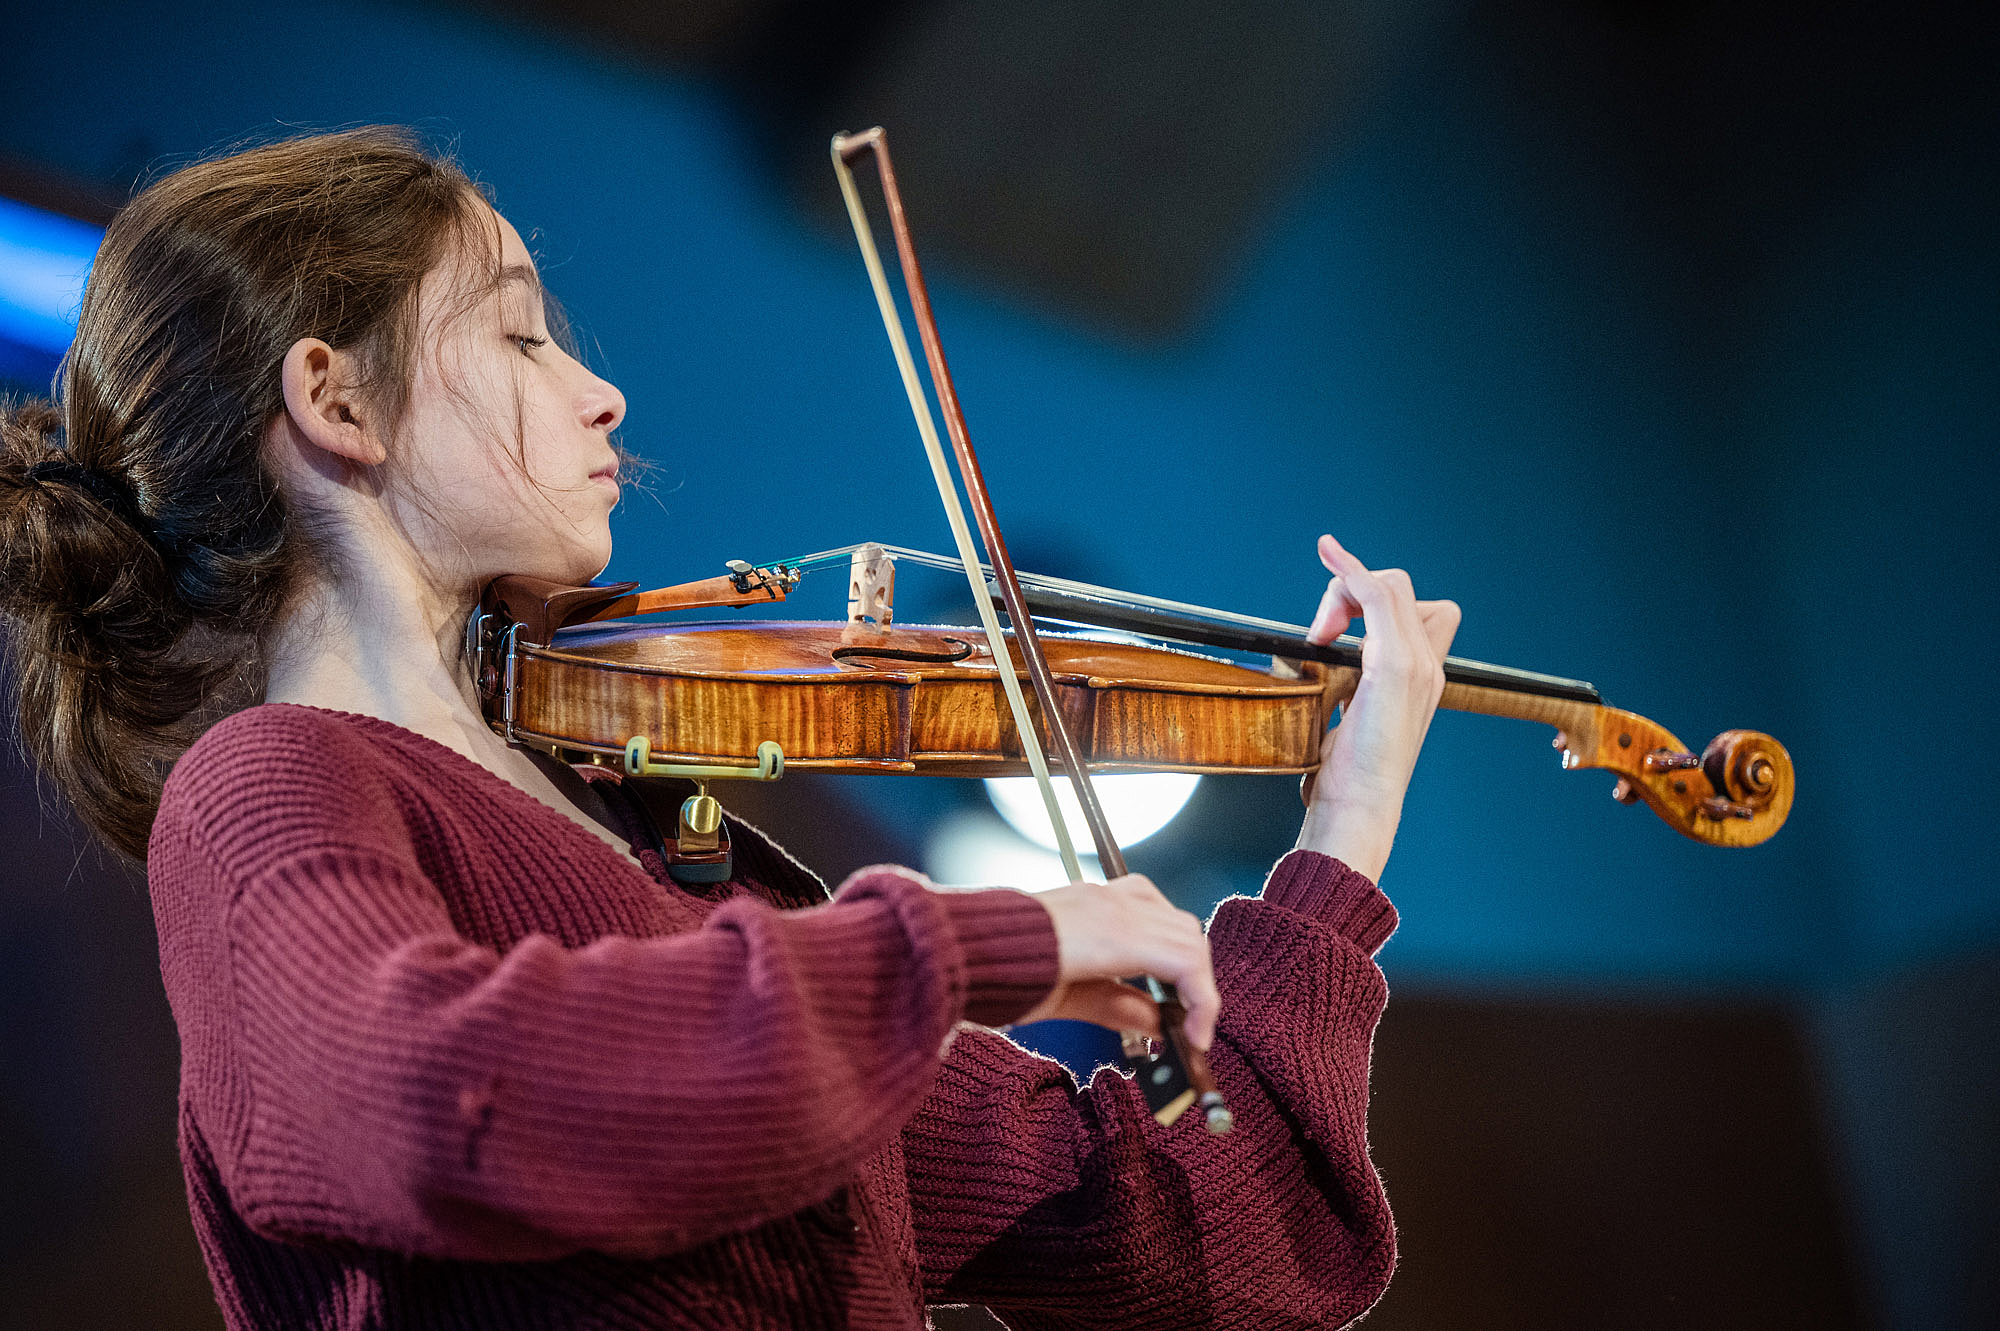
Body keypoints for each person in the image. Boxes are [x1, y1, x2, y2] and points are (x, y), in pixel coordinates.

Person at [0, 126, 1460, 1330]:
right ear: (336, 401)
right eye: (517, 335)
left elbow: (1231, 1247)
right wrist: (962, 952)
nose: (603, 393)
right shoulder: (274, 782)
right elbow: (425, 1099)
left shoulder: (670, 872)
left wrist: (1344, 833)